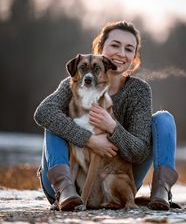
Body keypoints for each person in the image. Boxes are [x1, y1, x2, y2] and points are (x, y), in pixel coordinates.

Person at [34, 21, 178, 211]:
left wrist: (112, 127)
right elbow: (43, 113)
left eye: (129, 49)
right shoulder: (75, 82)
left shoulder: (138, 90)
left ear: (134, 57)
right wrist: (90, 140)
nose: (121, 53)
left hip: (117, 182)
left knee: (164, 119)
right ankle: (65, 190)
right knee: (54, 118)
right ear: (100, 48)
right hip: (68, 180)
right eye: (115, 45)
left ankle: (161, 192)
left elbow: (140, 152)